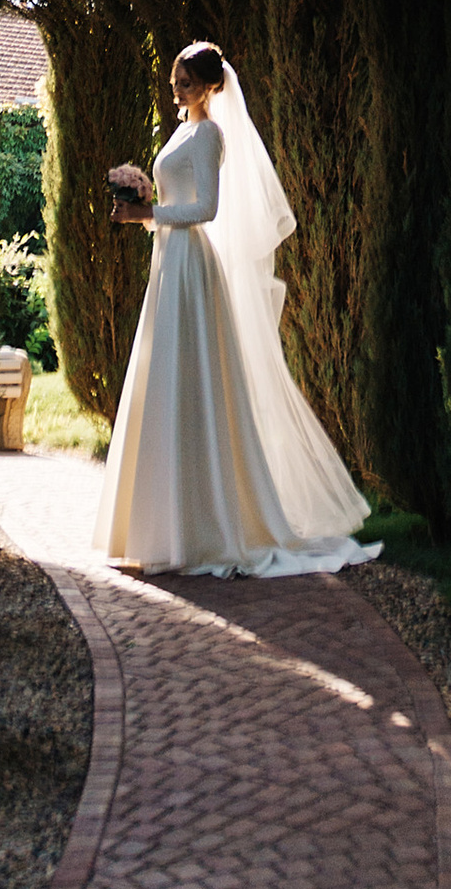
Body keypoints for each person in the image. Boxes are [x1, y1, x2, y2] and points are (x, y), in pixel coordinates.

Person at [90, 41, 381, 577]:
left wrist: (149, 212)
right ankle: (160, 524)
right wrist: (145, 209)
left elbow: (206, 208)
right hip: (168, 262)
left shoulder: (209, 135)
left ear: (210, 86)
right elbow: (177, 200)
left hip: (190, 265)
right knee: (164, 379)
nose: (178, 91)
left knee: (191, 380)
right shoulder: (182, 130)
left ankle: (205, 525)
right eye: (175, 82)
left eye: (186, 83)